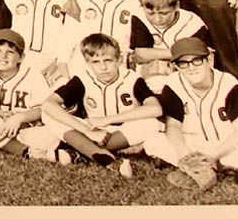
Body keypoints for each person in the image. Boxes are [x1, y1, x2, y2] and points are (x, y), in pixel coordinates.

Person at [144, 37, 238, 182]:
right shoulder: (173, 84)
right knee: (154, 141)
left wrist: (212, 157)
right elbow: (173, 125)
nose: (191, 67)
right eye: (183, 63)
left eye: (197, 60)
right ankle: (224, 168)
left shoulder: (228, 83)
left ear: (209, 60)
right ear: (176, 67)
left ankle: (209, 167)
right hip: (192, 143)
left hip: (226, 143)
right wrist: (184, 155)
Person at [40, 33, 163, 169]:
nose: (103, 67)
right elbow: (49, 103)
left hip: (123, 130)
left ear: (119, 60)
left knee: (151, 123)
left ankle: (80, 150)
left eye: (108, 61)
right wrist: (87, 131)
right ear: (88, 63)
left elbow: (155, 109)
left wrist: (108, 119)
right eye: (96, 62)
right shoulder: (83, 78)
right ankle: (98, 153)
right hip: (92, 128)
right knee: (47, 115)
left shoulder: (132, 79)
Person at [0, 29, 64, 162]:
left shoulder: (32, 75)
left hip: (22, 130)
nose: (3, 56)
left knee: (51, 133)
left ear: (21, 57)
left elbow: (43, 109)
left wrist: (20, 117)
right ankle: (24, 151)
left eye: (10, 52)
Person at [129, 0, 213, 79]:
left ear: (177, 6)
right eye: (151, 14)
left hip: (186, 74)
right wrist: (182, 52)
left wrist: (155, 54)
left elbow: (203, 57)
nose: (157, 19)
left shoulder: (193, 23)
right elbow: (141, 54)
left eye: (164, 13)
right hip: (151, 75)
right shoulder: (140, 16)